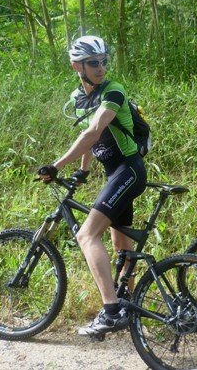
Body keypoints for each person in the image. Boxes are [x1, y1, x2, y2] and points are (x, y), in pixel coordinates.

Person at [38, 35, 147, 336]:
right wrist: (83, 171)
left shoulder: (113, 91)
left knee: (86, 234)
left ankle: (111, 311)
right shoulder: (79, 98)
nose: (101, 67)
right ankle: (128, 306)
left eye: (103, 61)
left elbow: (94, 131)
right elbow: (90, 137)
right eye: (93, 63)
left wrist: (57, 166)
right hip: (116, 173)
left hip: (129, 171)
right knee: (121, 245)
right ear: (77, 66)